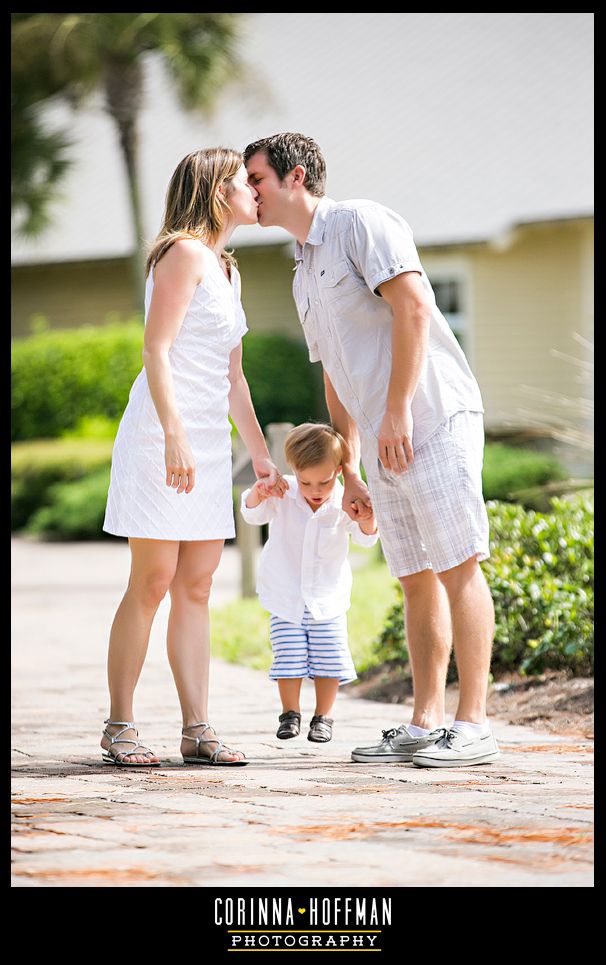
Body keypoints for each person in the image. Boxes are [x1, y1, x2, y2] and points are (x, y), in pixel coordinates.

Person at [243, 133, 500, 767]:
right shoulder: (302, 267)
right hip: (382, 439)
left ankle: (474, 724)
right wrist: (346, 467)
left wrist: (395, 412)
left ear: (295, 176)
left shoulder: (361, 221)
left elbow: (413, 308)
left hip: (431, 417)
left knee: (458, 562)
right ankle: (424, 721)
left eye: (257, 180)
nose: (248, 192)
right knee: (413, 577)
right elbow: (334, 370)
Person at [101, 147, 286, 767]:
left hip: (208, 440)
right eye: (244, 182)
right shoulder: (181, 254)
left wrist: (259, 456)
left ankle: (197, 729)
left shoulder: (229, 270)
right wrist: (174, 433)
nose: (255, 192)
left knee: (199, 586)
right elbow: (156, 350)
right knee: (152, 582)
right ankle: (120, 726)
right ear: (215, 192)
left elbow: (235, 379)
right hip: (162, 434)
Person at [240, 423, 378, 743]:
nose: (315, 489)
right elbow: (251, 515)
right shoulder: (283, 493)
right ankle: (290, 713)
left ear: (340, 470)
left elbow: (366, 539)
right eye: (306, 481)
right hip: (285, 595)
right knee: (288, 658)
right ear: (294, 471)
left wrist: (367, 519)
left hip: (327, 598)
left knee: (329, 659)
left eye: (325, 481)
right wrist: (259, 493)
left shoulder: (344, 500)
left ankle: (323, 716)